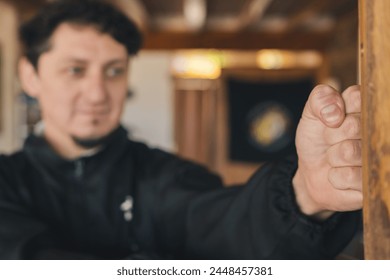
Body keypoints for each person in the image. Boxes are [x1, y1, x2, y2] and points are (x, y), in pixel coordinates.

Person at [0, 0, 362, 260]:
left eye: (113, 71)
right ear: (30, 76)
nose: (98, 93)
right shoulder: (6, 182)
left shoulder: (165, 176)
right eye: (75, 70)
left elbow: (226, 223)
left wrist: (306, 197)